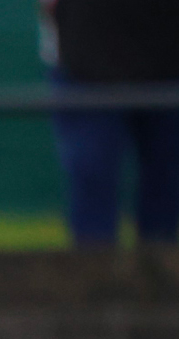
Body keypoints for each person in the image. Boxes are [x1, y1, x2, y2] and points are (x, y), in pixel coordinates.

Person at [40, 0, 179, 245]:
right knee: (92, 178)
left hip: (167, 65)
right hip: (85, 68)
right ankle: (96, 267)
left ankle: (159, 266)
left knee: (166, 187)